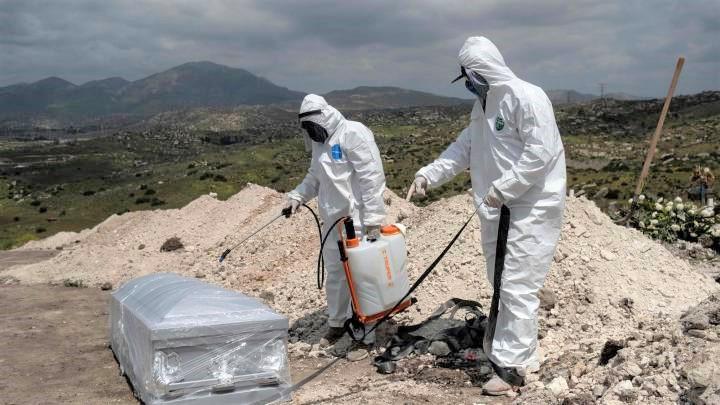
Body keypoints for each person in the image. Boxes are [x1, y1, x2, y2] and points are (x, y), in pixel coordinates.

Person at [407, 36, 566, 395]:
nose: (468, 84)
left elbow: (540, 154)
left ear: (482, 71)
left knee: (518, 286)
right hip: (496, 209)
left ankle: (514, 368)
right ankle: (516, 352)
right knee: (501, 283)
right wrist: (428, 175)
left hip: (529, 209)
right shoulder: (482, 108)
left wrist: (504, 187)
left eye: (470, 77)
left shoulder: (527, 97)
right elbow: (462, 149)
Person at [284, 94, 386, 359]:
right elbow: (314, 178)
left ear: (323, 117)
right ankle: (338, 323)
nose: (311, 133)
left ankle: (368, 331)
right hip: (332, 224)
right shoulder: (321, 145)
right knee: (336, 276)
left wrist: (374, 218)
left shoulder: (353, 133)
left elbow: (371, 176)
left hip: (359, 222)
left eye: (313, 127)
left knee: (363, 277)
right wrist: (297, 197)